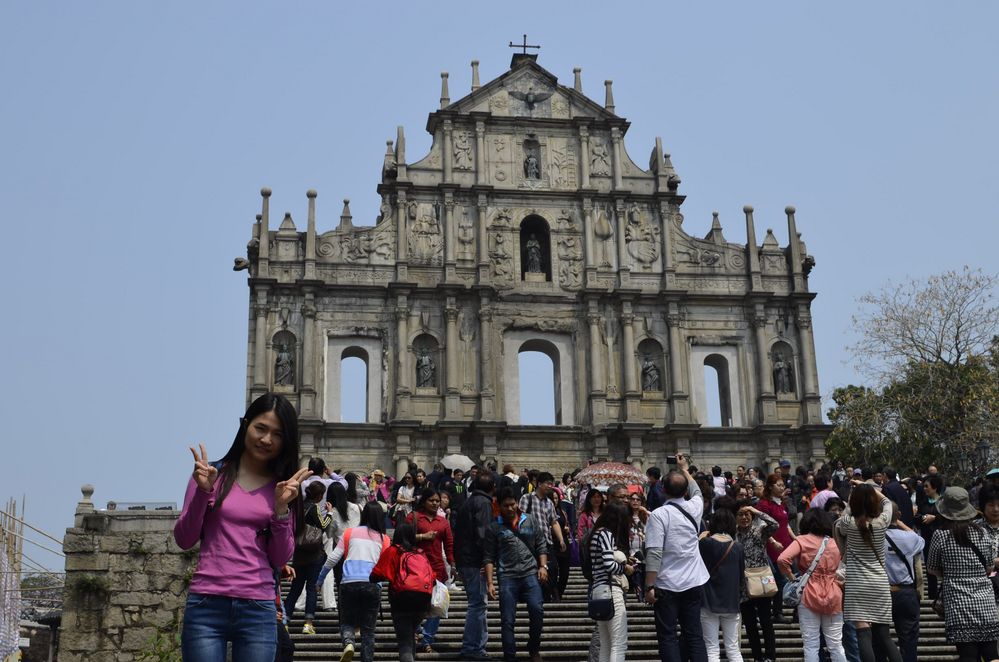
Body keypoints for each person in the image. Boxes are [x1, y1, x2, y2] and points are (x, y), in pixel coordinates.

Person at [174, 392, 310, 662]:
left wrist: (281, 510)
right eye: (260, 428)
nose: (267, 439)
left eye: (278, 434)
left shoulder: (283, 489)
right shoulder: (212, 475)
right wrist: (203, 493)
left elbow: (280, 558)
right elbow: (185, 539)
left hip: (258, 607)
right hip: (206, 604)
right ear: (245, 424)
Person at [644, 453, 709, 662]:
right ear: (685, 491)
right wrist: (685, 468)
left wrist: (649, 586)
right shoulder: (695, 507)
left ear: (662, 490)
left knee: (668, 636)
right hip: (693, 581)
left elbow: (654, 552)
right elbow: (697, 490)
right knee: (694, 635)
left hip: (666, 584)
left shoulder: (658, 515)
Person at [927, 486, 999, 662]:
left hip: (958, 603)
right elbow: (989, 567)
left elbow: (932, 569)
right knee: (991, 653)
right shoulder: (982, 532)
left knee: (967, 654)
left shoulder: (940, 535)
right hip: (985, 601)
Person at [834, 484, 902, 662]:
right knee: (885, 637)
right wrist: (873, 491)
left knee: (863, 635)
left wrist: (851, 499)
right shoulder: (882, 522)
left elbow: (841, 523)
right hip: (878, 583)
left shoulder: (848, 523)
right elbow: (887, 502)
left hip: (857, 584)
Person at [484, 487, 547, 662]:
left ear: (517, 503)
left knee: (537, 610)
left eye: (513, 505)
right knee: (507, 620)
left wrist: (543, 566)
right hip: (507, 576)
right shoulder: (494, 526)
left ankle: (533, 647)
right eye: (506, 506)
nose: (510, 509)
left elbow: (541, 543)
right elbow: (488, 557)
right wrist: (490, 582)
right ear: (499, 506)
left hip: (530, 573)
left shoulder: (530, 520)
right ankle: (510, 656)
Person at [323, 502, 390, 662]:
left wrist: (320, 578)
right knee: (368, 630)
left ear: (363, 515)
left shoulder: (349, 532)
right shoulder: (384, 539)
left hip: (348, 583)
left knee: (347, 622)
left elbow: (333, 558)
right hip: (372, 585)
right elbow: (386, 566)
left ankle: (349, 643)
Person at [777, 509, 846, 662]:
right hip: (833, 592)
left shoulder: (802, 540)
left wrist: (792, 578)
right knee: (835, 644)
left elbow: (782, 559)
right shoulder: (835, 542)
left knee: (811, 644)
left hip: (808, 592)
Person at [372, 523, 432, 662]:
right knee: (410, 635)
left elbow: (376, 574)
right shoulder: (420, 552)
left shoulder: (393, 551)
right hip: (423, 601)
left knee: (404, 641)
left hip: (401, 600)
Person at [406, 487, 454, 653]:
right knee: (417, 604)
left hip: (437, 569)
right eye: (431, 500)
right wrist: (422, 537)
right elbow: (402, 537)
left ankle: (427, 638)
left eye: (437, 501)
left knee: (438, 605)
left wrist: (452, 564)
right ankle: (416, 630)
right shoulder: (413, 518)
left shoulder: (443, 522)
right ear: (424, 501)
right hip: (416, 569)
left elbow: (448, 546)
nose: (435, 503)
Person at [455, 472, 496, 661]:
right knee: (478, 604)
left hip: (465, 559)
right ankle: (472, 647)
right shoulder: (483, 503)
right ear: (492, 487)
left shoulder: (468, 502)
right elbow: (483, 533)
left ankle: (477, 646)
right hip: (474, 560)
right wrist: (487, 559)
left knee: (478, 604)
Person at [589, 500, 635, 662]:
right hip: (611, 590)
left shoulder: (596, 533)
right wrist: (625, 569)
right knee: (618, 643)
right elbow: (609, 564)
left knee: (606, 644)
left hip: (598, 590)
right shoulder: (606, 534)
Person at [699, 508, 745, 662]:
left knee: (711, 648)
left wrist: (701, 537)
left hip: (708, 601)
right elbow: (741, 575)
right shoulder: (737, 547)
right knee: (733, 648)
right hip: (731, 602)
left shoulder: (705, 544)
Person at [735, 500, 778, 662]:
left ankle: (770, 656)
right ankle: (757, 657)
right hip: (743, 585)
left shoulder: (759, 530)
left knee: (766, 621)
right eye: (740, 514)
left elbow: (774, 524)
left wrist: (756, 510)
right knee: (751, 625)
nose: (744, 517)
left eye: (747, 514)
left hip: (762, 580)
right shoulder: (733, 534)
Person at [284, 481, 329, 634]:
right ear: (319, 495)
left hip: (299, 552)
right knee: (311, 588)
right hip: (314, 553)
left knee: (295, 589)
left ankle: (285, 620)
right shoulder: (314, 507)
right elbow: (322, 525)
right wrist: (329, 513)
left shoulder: (298, 507)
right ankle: (308, 623)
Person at [884, 502, 924, 662]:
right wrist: (900, 522)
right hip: (906, 592)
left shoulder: (874, 536)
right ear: (898, 515)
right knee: (909, 641)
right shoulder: (910, 538)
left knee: (879, 639)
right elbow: (920, 540)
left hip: (882, 593)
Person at [756, 473, 796, 623]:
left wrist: (795, 538)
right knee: (775, 579)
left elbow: (785, 524)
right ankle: (774, 611)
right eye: (779, 485)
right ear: (771, 487)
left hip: (785, 545)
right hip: (772, 546)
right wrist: (772, 541)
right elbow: (762, 525)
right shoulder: (764, 504)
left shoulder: (781, 503)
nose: (782, 487)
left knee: (787, 577)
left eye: (783, 485)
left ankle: (780, 610)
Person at [520, 472, 565, 601]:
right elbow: (519, 519)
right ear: (539, 484)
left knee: (552, 570)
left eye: (551, 484)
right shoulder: (526, 499)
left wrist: (561, 539)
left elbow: (554, 521)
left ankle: (547, 596)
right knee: (531, 571)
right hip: (529, 543)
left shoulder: (549, 503)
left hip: (547, 542)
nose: (550, 486)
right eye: (548, 484)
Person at [917, 474, 945, 600]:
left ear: (934, 487)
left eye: (927, 486)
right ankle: (933, 595)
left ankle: (944, 592)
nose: (925, 489)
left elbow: (949, 518)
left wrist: (935, 518)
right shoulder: (923, 502)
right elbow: (918, 517)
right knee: (929, 567)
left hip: (942, 538)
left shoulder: (943, 502)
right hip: (927, 538)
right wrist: (920, 517)